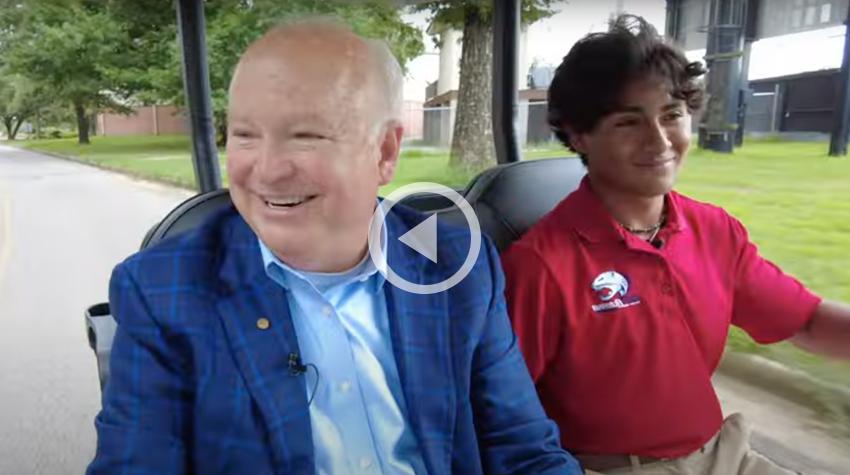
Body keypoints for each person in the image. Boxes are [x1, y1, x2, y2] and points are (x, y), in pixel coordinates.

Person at [87, 19, 582, 475]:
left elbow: (522, 449)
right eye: (243, 136)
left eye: (305, 137)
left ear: (384, 152)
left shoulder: (455, 264)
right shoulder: (162, 290)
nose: (268, 169)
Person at [501, 14, 850, 475]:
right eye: (629, 122)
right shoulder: (539, 266)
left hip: (724, 455)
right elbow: (501, 413)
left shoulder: (715, 231)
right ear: (579, 134)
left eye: (672, 116)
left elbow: (803, 322)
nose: (660, 140)